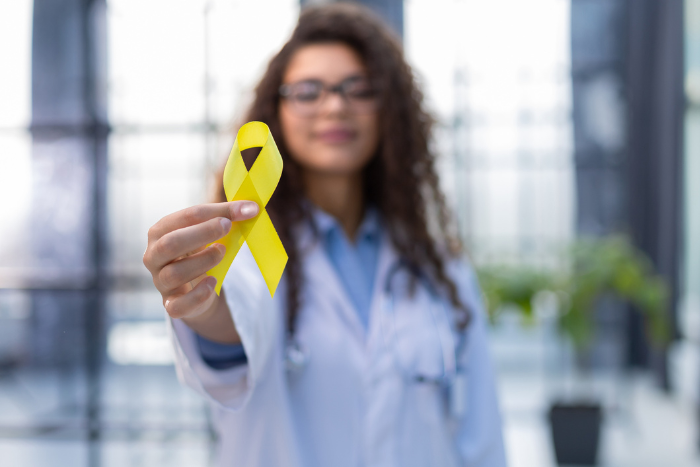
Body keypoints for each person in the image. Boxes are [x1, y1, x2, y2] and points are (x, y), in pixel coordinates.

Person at [143, 4, 507, 467]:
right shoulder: (248, 255)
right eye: (308, 91)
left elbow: (481, 437)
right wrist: (198, 299)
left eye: (359, 89)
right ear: (276, 110)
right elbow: (231, 325)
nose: (335, 106)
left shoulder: (441, 270)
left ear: (389, 110)